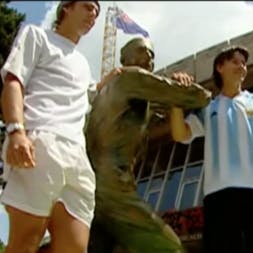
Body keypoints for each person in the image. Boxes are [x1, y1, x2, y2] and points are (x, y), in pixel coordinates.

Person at [85, 37, 210, 253]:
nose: (149, 58)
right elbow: (196, 98)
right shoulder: (131, 78)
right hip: (113, 183)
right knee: (169, 247)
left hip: (93, 185)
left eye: (152, 55)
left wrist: (172, 92)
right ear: (124, 59)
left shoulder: (115, 92)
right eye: (142, 51)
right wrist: (184, 86)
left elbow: (163, 105)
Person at [0, 1, 107, 253]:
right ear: (66, 8)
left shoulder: (83, 64)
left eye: (97, 12)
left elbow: (90, 92)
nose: (93, 15)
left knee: (75, 248)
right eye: (88, 6)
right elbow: (14, 81)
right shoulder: (37, 36)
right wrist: (16, 130)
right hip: (41, 144)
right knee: (25, 243)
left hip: (78, 159)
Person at [170, 45, 253, 253]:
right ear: (219, 67)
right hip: (219, 197)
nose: (241, 66)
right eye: (235, 61)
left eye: (244, 63)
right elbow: (181, 134)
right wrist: (175, 98)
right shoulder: (208, 106)